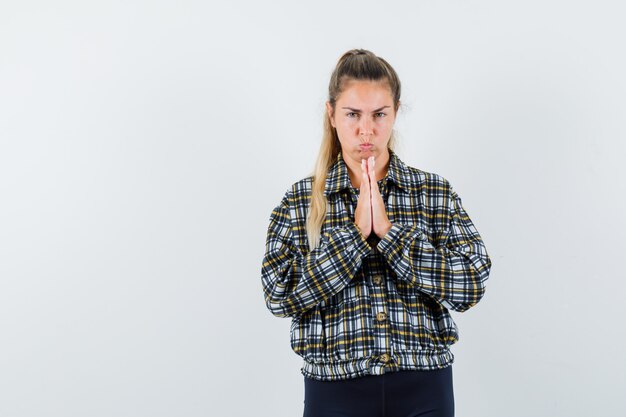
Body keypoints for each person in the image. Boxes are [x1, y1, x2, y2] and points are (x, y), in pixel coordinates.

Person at [260, 49, 492, 417]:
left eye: (379, 115)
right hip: (333, 392)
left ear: (395, 113)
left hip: (425, 389)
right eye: (352, 114)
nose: (365, 130)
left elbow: (472, 283)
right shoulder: (301, 199)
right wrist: (354, 236)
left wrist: (389, 234)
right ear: (332, 114)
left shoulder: (432, 192)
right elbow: (278, 295)